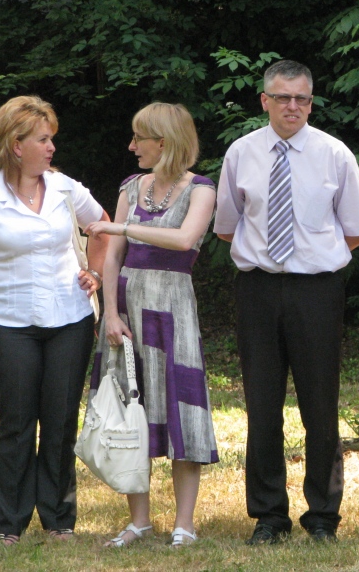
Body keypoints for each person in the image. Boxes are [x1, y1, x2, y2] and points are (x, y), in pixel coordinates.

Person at [214, 59, 359, 544]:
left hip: (316, 290)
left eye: (302, 98)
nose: (293, 106)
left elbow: (356, 230)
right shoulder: (241, 153)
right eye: (283, 97)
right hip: (258, 289)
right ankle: (268, 515)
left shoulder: (334, 154)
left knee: (320, 405)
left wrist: (311, 259)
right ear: (265, 101)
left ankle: (323, 516)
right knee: (262, 405)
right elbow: (227, 226)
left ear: (311, 102)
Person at [84, 102, 219, 548]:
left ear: (163, 142)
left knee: (182, 410)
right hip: (128, 308)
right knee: (130, 410)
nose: (131, 146)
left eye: (138, 137)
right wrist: (111, 313)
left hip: (173, 309)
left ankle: (185, 523)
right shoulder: (131, 186)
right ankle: (139, 520)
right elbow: (112, 259)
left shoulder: (200, 189)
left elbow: (184, 239)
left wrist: (123, 228)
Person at [0, 95, 109, 545]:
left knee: (59, 419)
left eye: (51, 138)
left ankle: (58, 519)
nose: (52, 147)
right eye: (43, 139)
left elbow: (103, 227)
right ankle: (8, 523)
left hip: (70, 318)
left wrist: (95, 272)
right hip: (10, 320)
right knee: (16, 421)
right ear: (16, 146)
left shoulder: (65, 188)